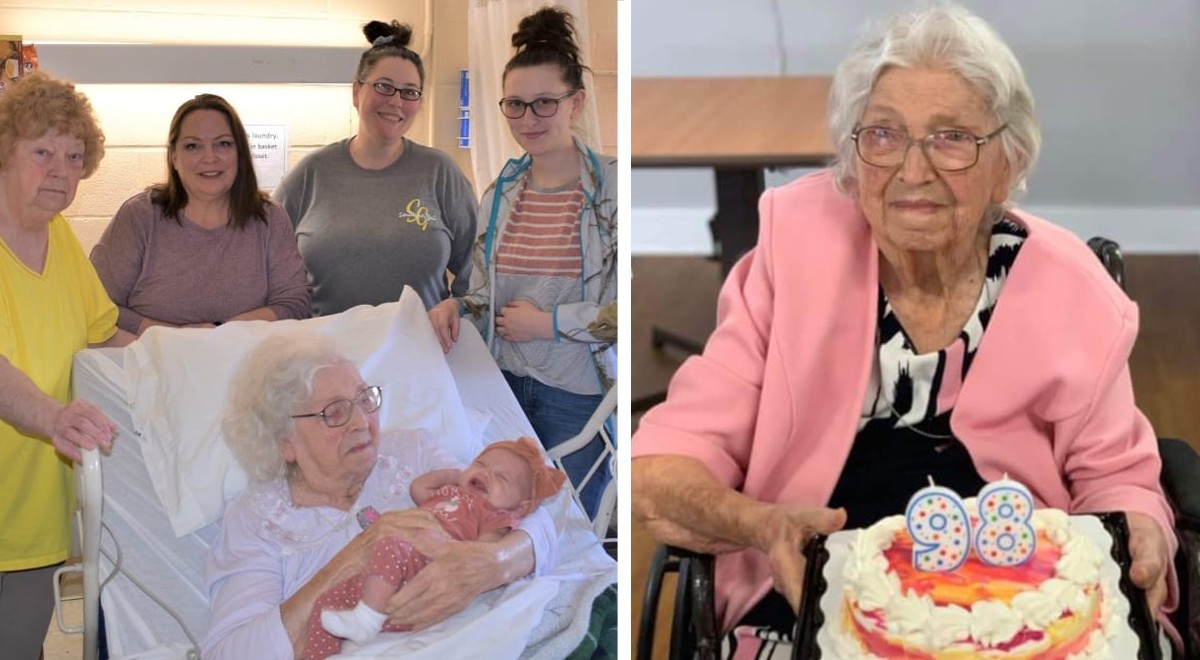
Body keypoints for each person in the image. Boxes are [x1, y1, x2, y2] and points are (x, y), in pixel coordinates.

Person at [630, 3, 1180, 653]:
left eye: (951, 137)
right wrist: (761, 525)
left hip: (1019, 607)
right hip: (805, 596)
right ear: (853, 155)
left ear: (1007, 161)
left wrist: (1141, 533)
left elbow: (1118, 479)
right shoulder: (793, 254)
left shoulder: (1072, 290)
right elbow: (661, 472)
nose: (913, 171)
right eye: (884, 134)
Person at [201, 334, 558, 659]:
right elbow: (230, 653)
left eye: (364, 399)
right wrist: (356, 555)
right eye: (335, 412)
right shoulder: (256, 519)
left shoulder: (412, 452)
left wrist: (494, 562)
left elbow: (530, 514)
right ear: (285, 443)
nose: (361, 422)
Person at [428, 6, 617, 520]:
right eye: (515, 105)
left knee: (576, 525)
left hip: (575, 394)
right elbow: (486, 294)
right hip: (504, 384)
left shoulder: (613, 193)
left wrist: (548, 324)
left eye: (544, 104)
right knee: (504, 522)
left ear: (575, 102)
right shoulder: (500, 193)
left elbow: (631, 308)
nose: (528, 120)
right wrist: (457, 306)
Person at [0, 70, 135, 660]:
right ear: (5, 153)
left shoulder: (64, 240)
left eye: (75, 155)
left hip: (37, 523)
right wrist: (53, 416)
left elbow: (103, 339)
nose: (61, 169)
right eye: (43, 151)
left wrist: (192, 357)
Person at [275, 20, 477, 316]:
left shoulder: (441, 174)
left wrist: (459, 312)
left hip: (420, 353)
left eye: (410, 92)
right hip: (328, 355)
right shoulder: (309, 175)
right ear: (356, 92)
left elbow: (477, 272)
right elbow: (266, 272)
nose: (396, 101)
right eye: (383, 86)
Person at [308, 437, 566, 659]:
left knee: (390, 544)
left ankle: (367, 620)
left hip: (423, 571)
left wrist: (443, 544)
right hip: (390, 569)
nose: (485, 473)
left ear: (520, 507)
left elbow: (478, 556)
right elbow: (418, 488)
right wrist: (458, 475)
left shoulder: (493, 515)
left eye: (501, 477)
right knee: (326, 603)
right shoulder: (449, 493)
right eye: (480, 464)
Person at [89, 93, 310, 334]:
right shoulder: (139, 217)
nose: (209, 157)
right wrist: (174, 338)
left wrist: (223, 333)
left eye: (223, 143)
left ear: (240, 152)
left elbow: (295, 305)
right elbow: (97, 304)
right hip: (155, 365)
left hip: (248, 366)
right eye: (193, 146)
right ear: (173, 156)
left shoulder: (269, 218)